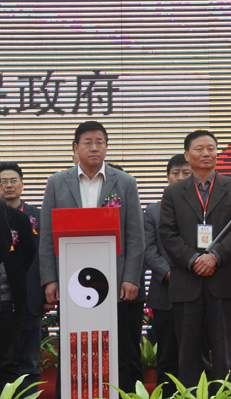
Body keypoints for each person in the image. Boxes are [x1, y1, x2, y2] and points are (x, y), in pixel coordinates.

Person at [39, 121, 145, 393]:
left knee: (117, 347)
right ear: (75, 148)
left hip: (115, 281)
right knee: (74, 345)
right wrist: (50, 280)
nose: (94, 147)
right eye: (87, 142)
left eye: (100, 141)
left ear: (107, 147)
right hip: (72, 282)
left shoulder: (125, 182)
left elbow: (135, 235)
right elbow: (48, 237)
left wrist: (131, 278)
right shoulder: (56, 183)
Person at [158, 130, 231, 391]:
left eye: (211, 148)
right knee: (187, 355)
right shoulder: (173, 193)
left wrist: (215, 257)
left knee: (223, 354)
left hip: (223, 280)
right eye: (199, 149)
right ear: (187, 155)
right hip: (187, 282)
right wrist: (193, 259)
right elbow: (167, 232)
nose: (206, 153)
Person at [144, 154, 191, 396]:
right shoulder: (152, 211)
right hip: (165, 293)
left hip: (197, 289)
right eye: (176, 173)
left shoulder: (203, 207)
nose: (181, 178)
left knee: (195, 355)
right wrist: (169, 273)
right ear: (167, 177)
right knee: (167, 356)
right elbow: (148, 249)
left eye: (186, 173)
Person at [0, 162, 47, 395]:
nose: (8, 186)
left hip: (30, 295)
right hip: (7, 299)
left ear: (22, 184)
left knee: (29, 360)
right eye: (2, 181)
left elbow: (39, 255)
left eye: (13, 180)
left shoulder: (36, 217)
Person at [0, 194, 36, 388]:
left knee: (8, 361)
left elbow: (29, 253)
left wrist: (15, 272)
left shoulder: (17, 217)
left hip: (8, 299)